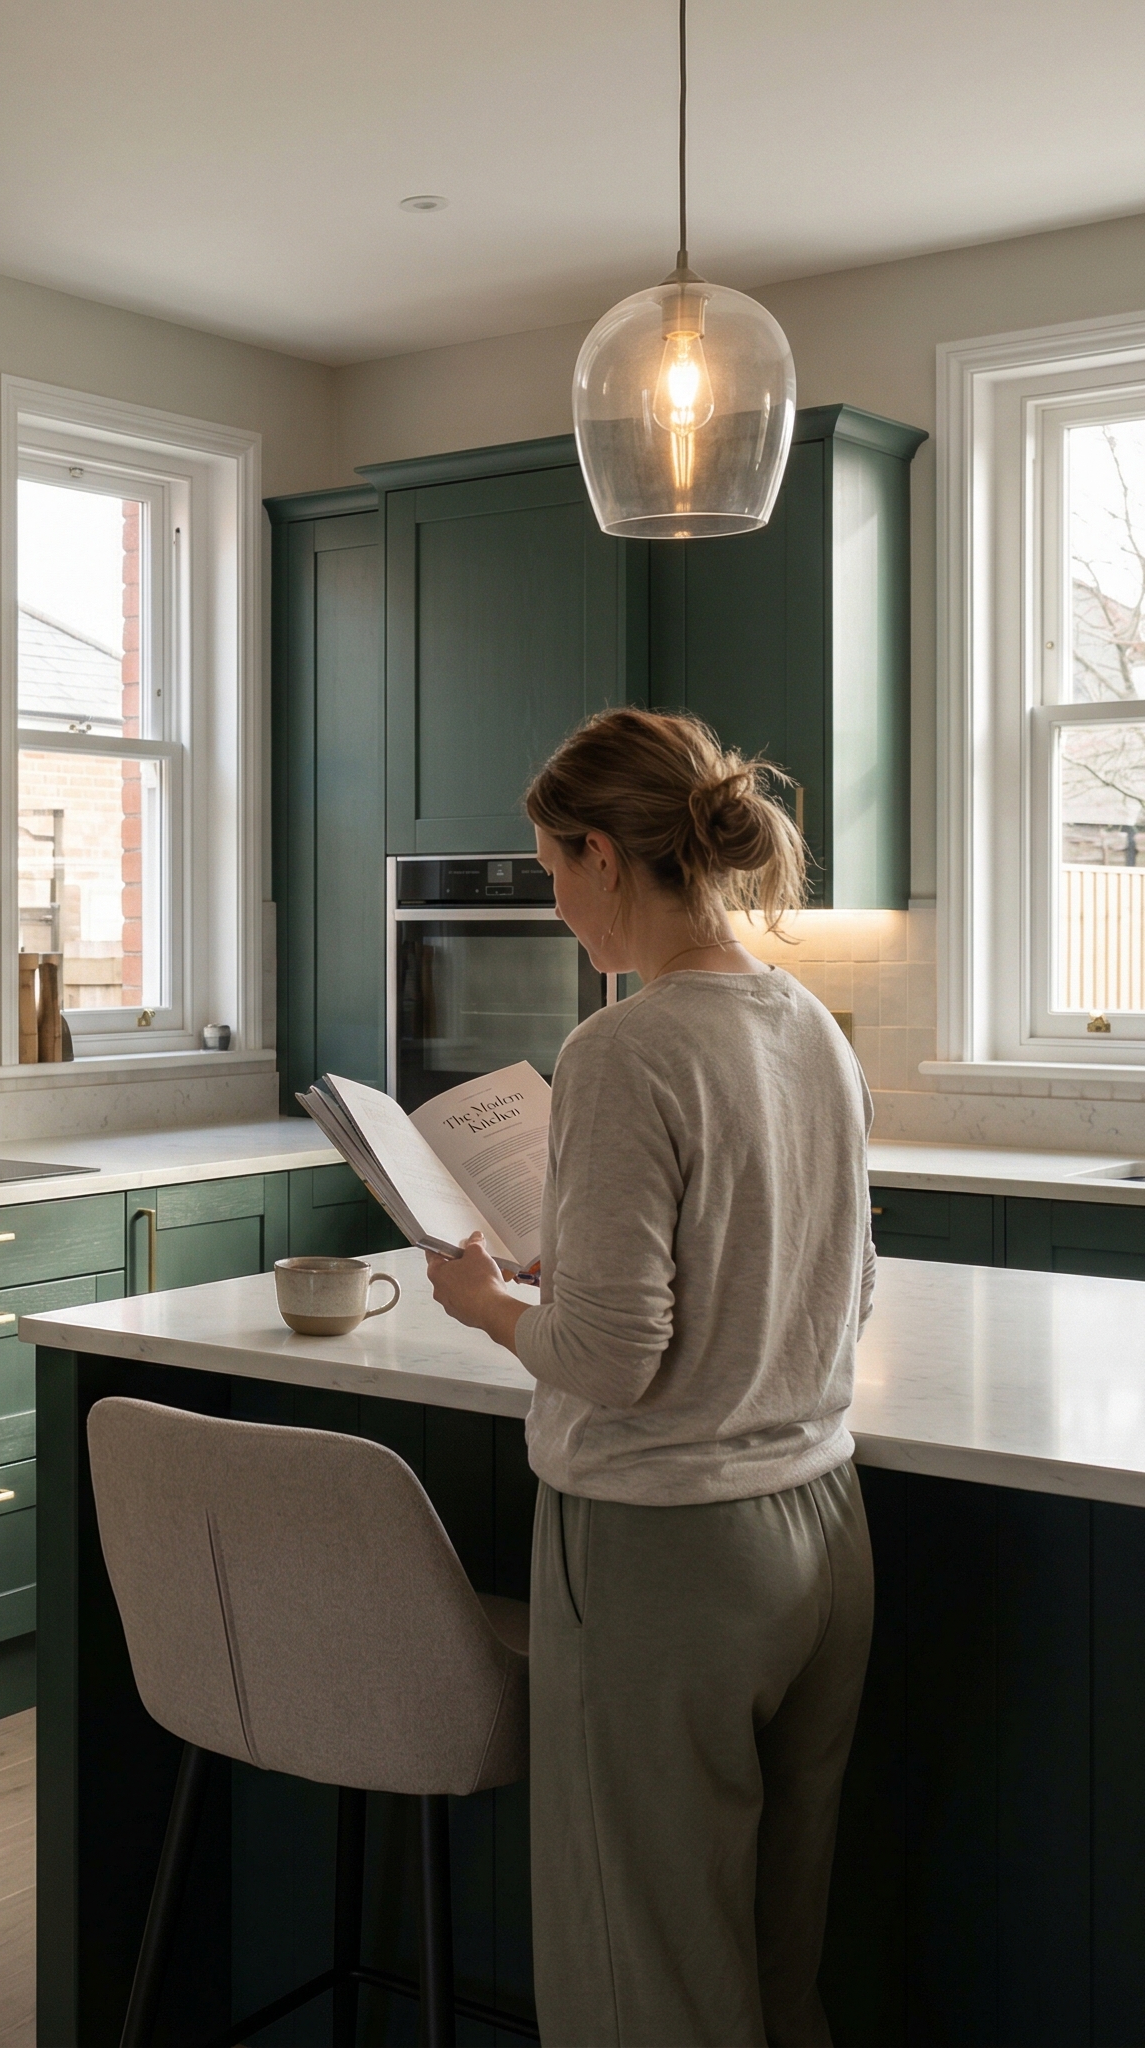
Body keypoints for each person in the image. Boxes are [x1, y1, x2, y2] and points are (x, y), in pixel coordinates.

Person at [426, 706, 875, 2048]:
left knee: (644, 1990)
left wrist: (490, 1306)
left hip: (664, 1554)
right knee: (771, 1963)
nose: (557, 905)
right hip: (821, 1538)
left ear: (606, 857)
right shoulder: (808, 1024)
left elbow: (613, 1369)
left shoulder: (623, 1048)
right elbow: (822, 1283)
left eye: (554, 872)